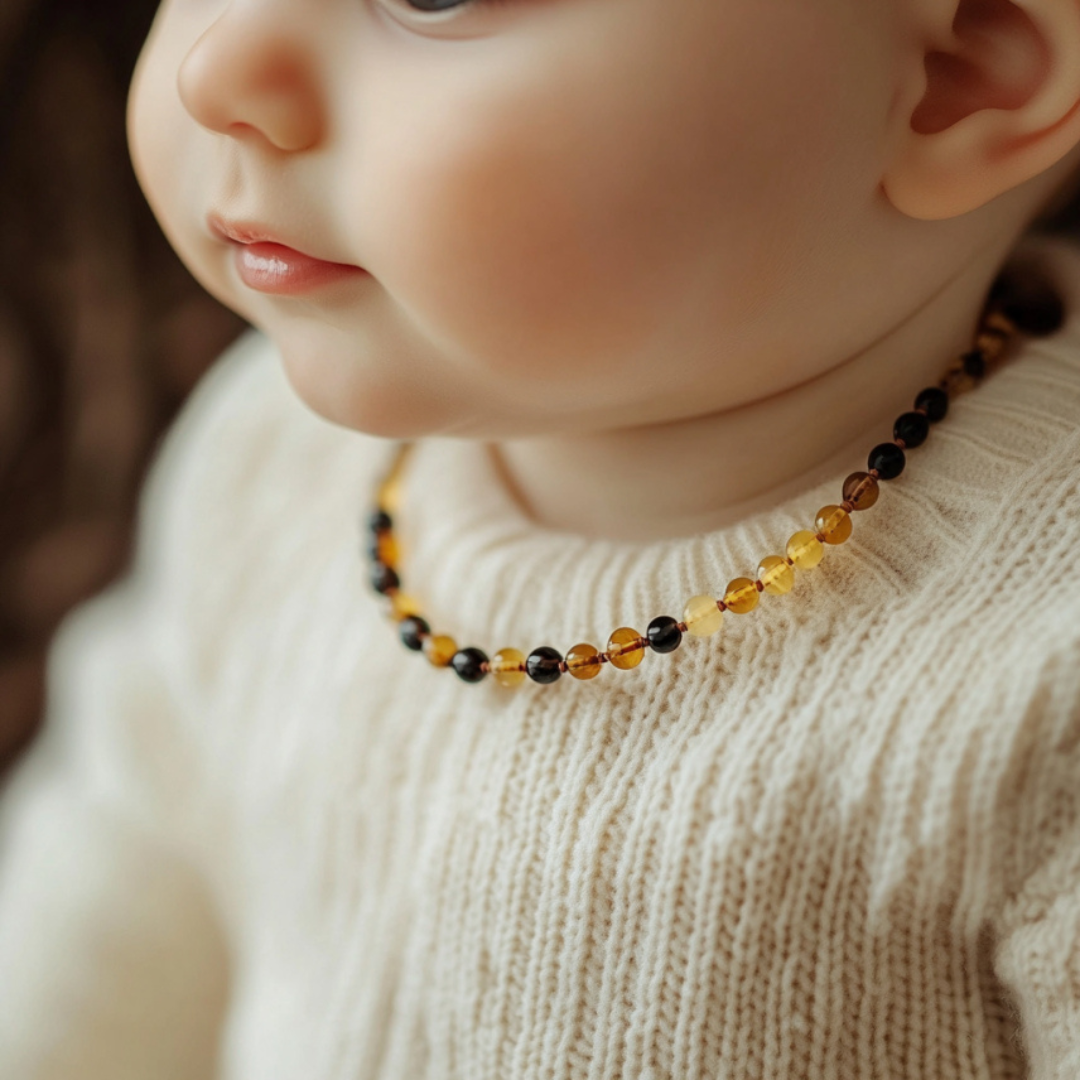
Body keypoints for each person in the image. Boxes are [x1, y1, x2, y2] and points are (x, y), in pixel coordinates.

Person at [1, 0, 1079, 1076]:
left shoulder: (1037, 668)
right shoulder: (270, 458)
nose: (214, 69)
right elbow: (129, 868)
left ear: (962, 71)